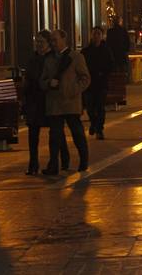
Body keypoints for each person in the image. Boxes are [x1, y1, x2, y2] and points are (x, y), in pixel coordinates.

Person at [40, 29, 90, 175]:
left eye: (55, 40)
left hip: (70, 102)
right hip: (54, 103)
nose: (53, 43)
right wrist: (49, 83)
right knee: (55, 136)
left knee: (77, 133)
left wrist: (71, 90)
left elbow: (85, 78)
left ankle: (83, 160)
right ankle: (54, 164)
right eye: (52, 41)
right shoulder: (49, 59)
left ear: (64, 39)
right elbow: (42, 80)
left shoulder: (76, 57)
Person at [22, 30, 69, 175]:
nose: (38, 45)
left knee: (56, 133)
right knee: (33, 134)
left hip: (49, 99)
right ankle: (33, 164)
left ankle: (60, 160)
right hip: (34, 101)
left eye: (41, 42)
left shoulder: (54, 58)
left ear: (49, 43)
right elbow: (28, 79)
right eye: (37, 42)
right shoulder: (32, 59)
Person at [82, 26, 114, 139]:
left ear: (102, 36)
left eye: (98, 34)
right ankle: (94, 123)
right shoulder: (85, 51)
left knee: (100, 107)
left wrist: (103, 72)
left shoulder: (106, 51)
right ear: (91, 35)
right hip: (89, 84)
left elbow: (110, 65)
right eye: (94, 34)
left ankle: (99, 129)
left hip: (101, 83)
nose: (96, 36)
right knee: (90, 107)